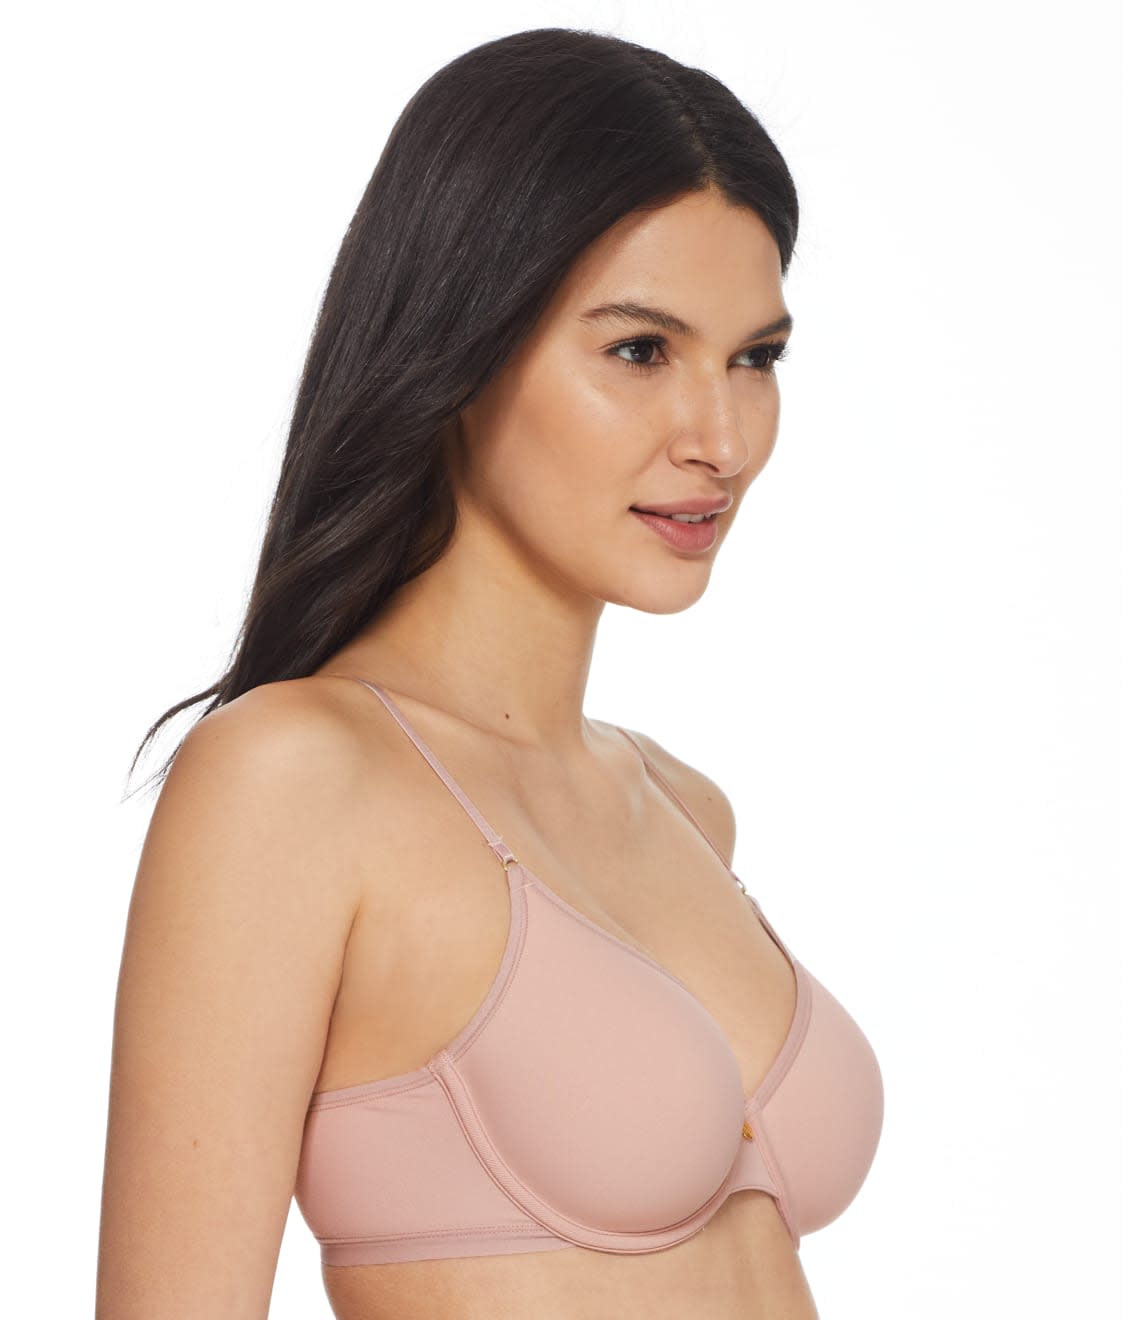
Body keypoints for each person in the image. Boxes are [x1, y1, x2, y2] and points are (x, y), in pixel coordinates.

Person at [96, 26, 883, 1320]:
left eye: (755, 358)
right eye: (640, 350)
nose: (721, 438)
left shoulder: (684, 809)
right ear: (462, 347)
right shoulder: (293, 783)